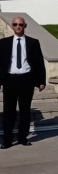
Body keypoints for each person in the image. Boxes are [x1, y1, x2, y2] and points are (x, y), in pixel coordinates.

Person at [0, 16, 46, 149]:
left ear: (25, 26)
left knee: (25, 111)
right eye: (15, 24)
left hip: (27, 80)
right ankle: (7, 140)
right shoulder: (3, 43)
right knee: (9, 112)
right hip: (10, 80)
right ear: (12, 26)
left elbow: (39, 62)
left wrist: (41, 80)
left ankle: (22, 137)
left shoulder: (33, 42)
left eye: (21, 24)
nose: (18, 26)